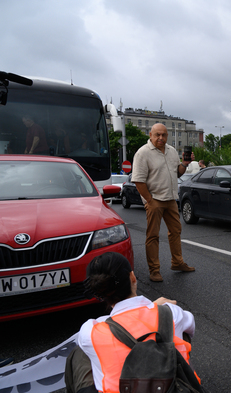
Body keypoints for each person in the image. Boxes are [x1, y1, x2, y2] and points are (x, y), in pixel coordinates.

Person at [65, 252, 201, 393]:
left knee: (80, 353)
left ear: (99, 293)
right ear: (132, 277)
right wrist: (155, 307)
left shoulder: (91, 330)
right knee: (179, 333)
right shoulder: (171, 312)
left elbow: (121, 325)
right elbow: (190, 328)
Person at [132, 123, 195, 282]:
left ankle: (177, 262)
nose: (161, 138)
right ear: (151, 135)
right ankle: (154, 270)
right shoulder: (143, 153)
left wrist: (184, 164)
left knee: (176, 231)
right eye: (157, 135)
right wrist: (150, 200)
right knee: (153, 235)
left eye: (164, 135)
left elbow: (177, 173)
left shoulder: (172, 151)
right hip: (155, 200)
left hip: (171, 199)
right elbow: (139, 181)